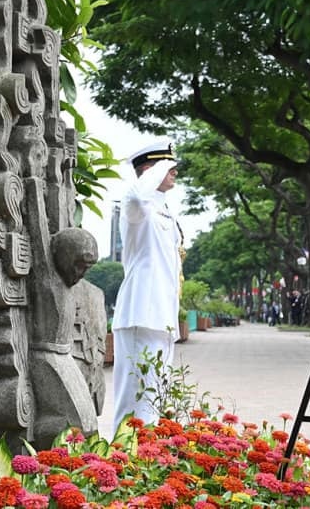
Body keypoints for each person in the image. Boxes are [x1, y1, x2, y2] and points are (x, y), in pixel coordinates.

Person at [111, 139, 182, 433]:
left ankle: (148, 458)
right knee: (134, 397)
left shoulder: (164, 210)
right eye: (169, 166)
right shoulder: (137, 207)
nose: (175, 172)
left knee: (154, 397)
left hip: (162, 314)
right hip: (140, 312)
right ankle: (123, 457)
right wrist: (155, 172)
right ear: (150, 169)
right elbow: (137, 198)